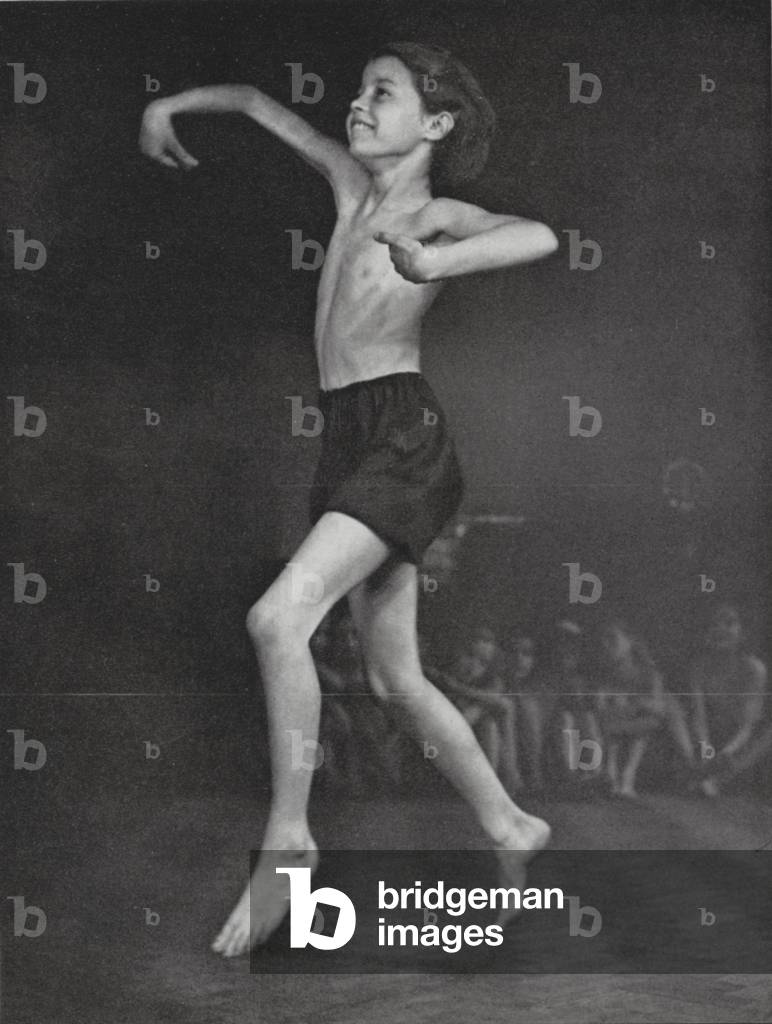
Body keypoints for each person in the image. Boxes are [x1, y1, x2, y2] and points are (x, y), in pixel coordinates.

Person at [140, 40, 558, 956]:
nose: (357, 105)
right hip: (350, 435)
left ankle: (289, 845)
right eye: (360, 90)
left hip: (406, 437)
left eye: (383, 93)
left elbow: (538, 236)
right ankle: (510, 824)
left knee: (274, 621)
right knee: (393, 679)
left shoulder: (435, 210)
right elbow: (254, 96)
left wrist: (435, 264)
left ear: (435, 123)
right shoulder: (345, 183)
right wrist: (167, 105)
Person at [683, 604, 768, 797]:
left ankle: (718, 780)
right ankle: (699, 771)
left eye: (729, 623)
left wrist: (727, 753)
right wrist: (706, 749)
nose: (720, 629)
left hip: (739, 739)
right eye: (714, 624)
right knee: (679, 713)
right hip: (709, 735)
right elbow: (699, 716)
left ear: (743, 633)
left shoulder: (754, 669)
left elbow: (748, 725)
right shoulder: (699, 666)